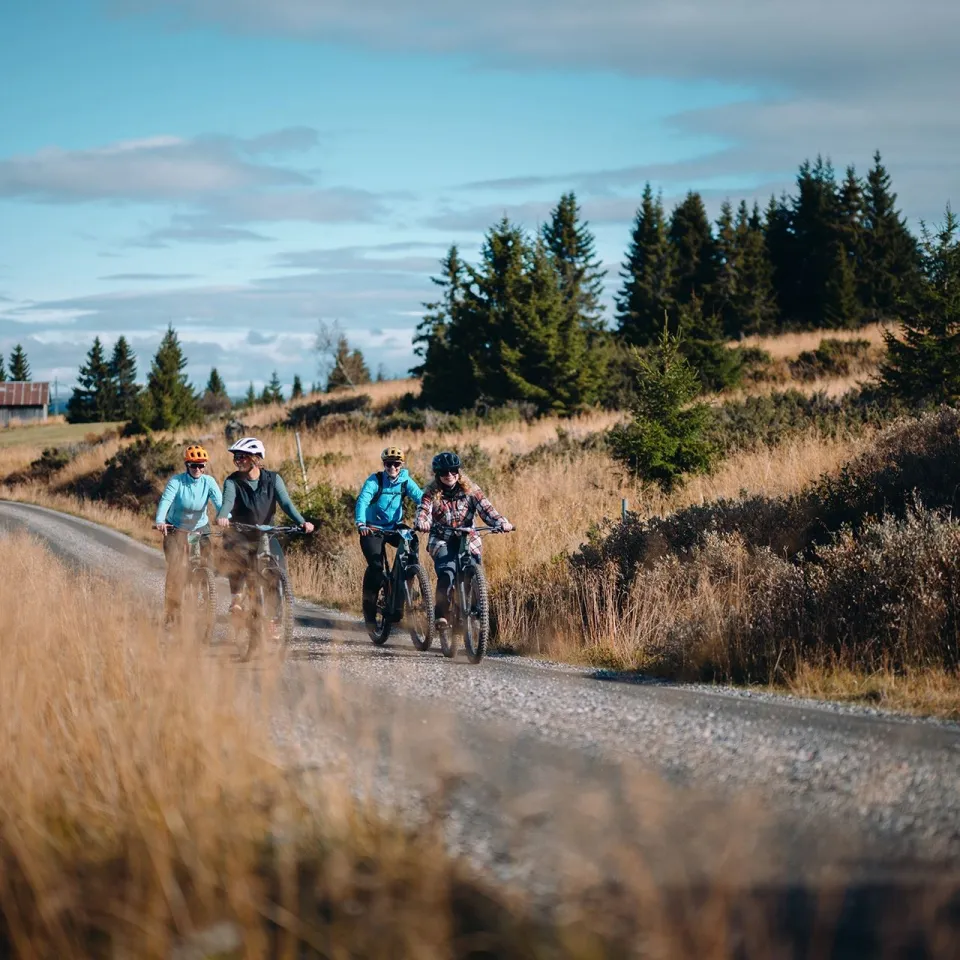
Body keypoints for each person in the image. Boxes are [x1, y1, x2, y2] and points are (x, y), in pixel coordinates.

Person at [215, 437, 314, 618]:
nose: (238, 460)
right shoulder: (232, 481)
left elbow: (286, 503)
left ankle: (273, 619)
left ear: (255, 458)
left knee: (277, 568)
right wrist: (222, 516)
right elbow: (227, 501)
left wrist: (302, 522)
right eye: (236, 457)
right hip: (241, 531)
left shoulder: (273, 479)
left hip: (267, 532)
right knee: (238, 559)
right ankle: (236, 599)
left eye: (242, 457)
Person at [414, 451, 514, 628]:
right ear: (437, 475)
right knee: (447, 571)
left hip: (468, 537)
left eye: (453, 470)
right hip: (442, 539)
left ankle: (476, 612)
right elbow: (424, 510)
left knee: (473, 570)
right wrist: (422, 522)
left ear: (458, 471)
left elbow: (487, 510)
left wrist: (501, 522)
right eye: (444, 472)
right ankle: (441, 614)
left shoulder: (471, 490)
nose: (449, 475)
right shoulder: (430, 493)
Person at [154, 444, 223, 626]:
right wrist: (160, 520)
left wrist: (226, 517)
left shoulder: (208, 482)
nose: (197, 469)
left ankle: (204, 597)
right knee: (176, 567)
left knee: (207, 563)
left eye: (201, 465)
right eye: (193, 465)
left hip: (200, 527)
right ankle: (171, 611)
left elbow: (219, 503)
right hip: (176, 528)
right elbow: (166, 500)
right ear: (187, 465)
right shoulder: (177, 482)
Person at [355, 446, 423, 623]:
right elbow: (363, 500)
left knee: (413, 540)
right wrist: (361, 523)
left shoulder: (406, 481)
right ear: (384, 464)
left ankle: (406, 581)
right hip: (372, 528)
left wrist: (429, 515)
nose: (392, 467)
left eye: (396, 464)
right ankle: (370, 609)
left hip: (394, 527)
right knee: (376, 567)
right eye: (388, 464)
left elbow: (421, 498)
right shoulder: (375, 480)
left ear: (401, 465)